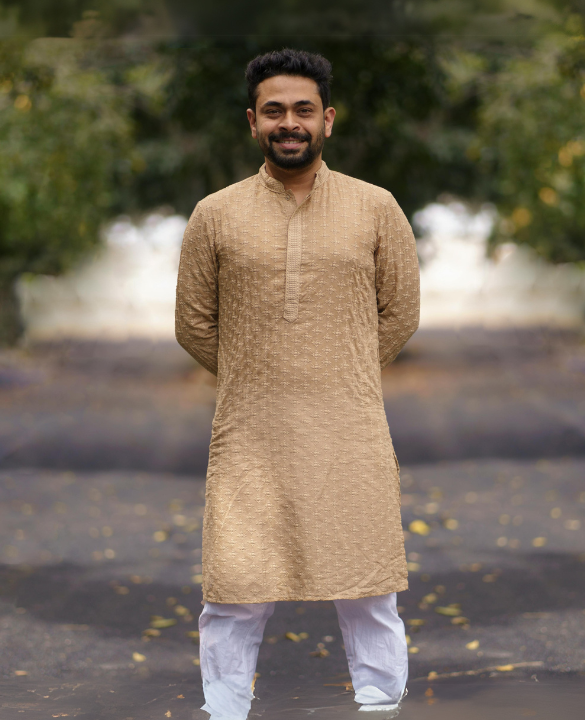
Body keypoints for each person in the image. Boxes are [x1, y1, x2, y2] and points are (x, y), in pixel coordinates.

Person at [175, 48, 420, 719]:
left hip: (350, 427)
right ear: (252, 122)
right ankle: (224, 710)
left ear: (328, 121)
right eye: (275, 111)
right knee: (234, 589)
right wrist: (260, 376)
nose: (291, 123)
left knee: (367, 585)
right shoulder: (215, 215)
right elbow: (193, 323)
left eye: (303, 111)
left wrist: (339, 373)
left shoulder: (377, 208)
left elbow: (400, 312)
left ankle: (379, 704)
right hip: (249, 435)